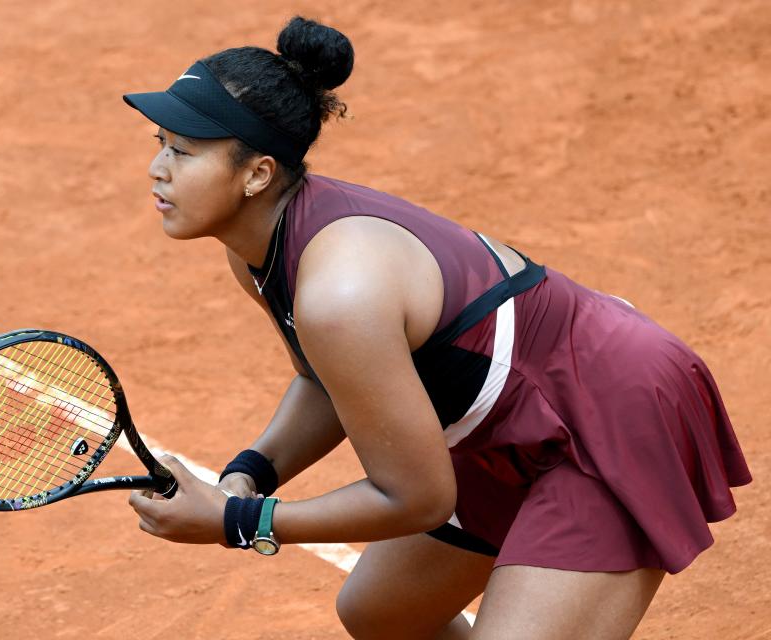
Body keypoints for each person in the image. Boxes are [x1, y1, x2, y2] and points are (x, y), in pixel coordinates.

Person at [123, 16, 751, 640]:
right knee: (382, 613)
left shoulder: (340, 291)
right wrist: (251, 471)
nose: (158, 168)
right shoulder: (260, 249)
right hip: (508, 425)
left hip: (609, 411)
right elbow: (329, 378)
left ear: (257, 174)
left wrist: (241, 519)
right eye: (160, 142)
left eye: (182, 151)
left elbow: (417, 498)